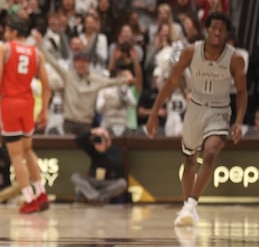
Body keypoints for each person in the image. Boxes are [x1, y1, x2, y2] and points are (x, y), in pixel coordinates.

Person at [146, 12, 247, 227]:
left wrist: (238, 121)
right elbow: (171, 82)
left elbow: (241, 92)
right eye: (214, 28)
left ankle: (191, 203)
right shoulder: (191, 51)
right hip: (195, 108)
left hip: (220, 111)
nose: (218, 32)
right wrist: (154, 113)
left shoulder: (235, 58)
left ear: (227, 33)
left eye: (222, 29)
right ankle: (187, 208)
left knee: (210, 153)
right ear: (207, 29)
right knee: (189, 160)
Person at [0, 17, 51, 214]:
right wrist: (44, 110)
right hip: (28, 103)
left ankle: (28, 198)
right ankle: (41, 192)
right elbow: (46, 85)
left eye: (7, 29)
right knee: (28, 150)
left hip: (10, 102)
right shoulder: (37, 53)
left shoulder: (4, 49)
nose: (5, 32)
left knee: (15, 154)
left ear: (14, 32)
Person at [70, 127, 128, 203]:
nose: (100, 141)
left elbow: (116, 165)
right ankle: (96, 197)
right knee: (75, 177)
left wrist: (103, 152)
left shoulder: (115, 150)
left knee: (122, 183)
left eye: (104, 138)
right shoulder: (93, 149)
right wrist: (92, 132)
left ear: (109, 140)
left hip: (108, 182)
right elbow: (79, 140)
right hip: (93, 181)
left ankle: (93, 197)